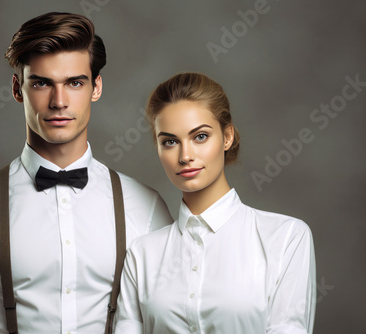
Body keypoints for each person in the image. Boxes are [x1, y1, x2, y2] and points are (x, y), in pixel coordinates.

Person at [0, 12, 172, 333]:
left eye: (75, 83)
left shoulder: (145, 208)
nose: (59, 101)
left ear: (96, 87)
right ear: (17, 88)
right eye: (41, 83)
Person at [114, 72, 316, 333]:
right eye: (170, 142)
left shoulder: (286, 237)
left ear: (227, 137)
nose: (185, 156)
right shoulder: (142, 254)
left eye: (200, 137)